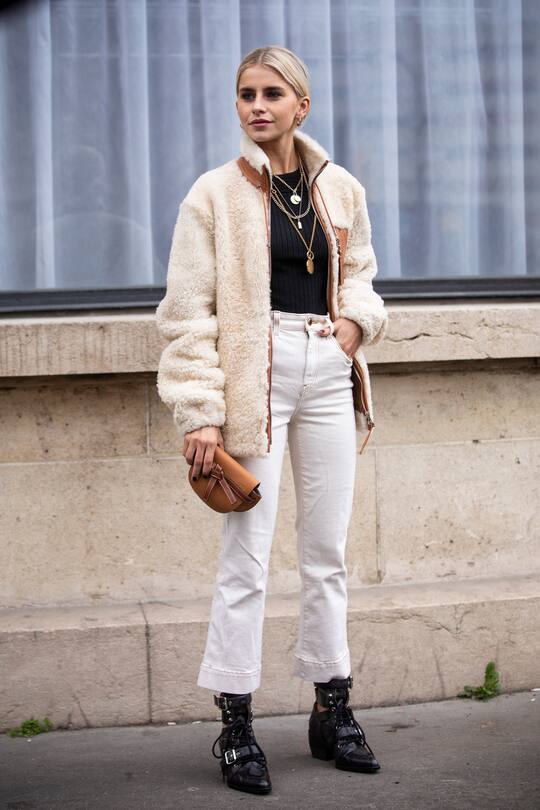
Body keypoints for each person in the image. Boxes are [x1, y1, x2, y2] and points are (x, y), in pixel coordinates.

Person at [155, 45, 388, 796]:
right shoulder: (213, 195)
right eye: (246, 94)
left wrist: (353, 324)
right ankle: (236, 723)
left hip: (327, 368)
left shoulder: (340, 188)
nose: (257, 106)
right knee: (246, 556)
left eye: (272, 94)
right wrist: (200, 411)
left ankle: (332, 707)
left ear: (301, 106)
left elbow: (361, 273)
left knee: (327, 550)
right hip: (253, 378)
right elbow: (187, 311)